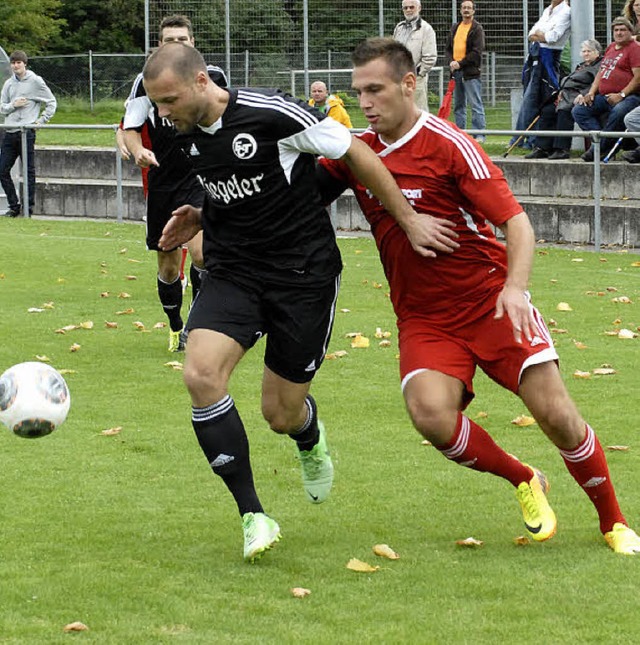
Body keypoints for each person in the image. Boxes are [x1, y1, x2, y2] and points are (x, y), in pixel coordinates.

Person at [317, 37, 640, 555]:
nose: (366, 103)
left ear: (408, 84)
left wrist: (515, 288)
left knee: (557, 416)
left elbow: (516, 222)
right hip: (424, 318)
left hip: (490, 301)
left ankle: (614, 522)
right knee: (429, 414)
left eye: (375, 90)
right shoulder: (357, 152)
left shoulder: (449, 144)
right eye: (359, 93)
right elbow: (294, 188)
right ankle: (523, 478)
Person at [142, 42, 427, 563]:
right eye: (156, 104)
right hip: (234, 272)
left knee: (280, 412)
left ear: (202, 82)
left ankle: (308, 434)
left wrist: (407, 219)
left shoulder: (273, 114)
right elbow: (235, 186)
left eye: (170, 100)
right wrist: (201, 214)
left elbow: (355, 152)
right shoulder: (179, 133)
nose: (163, 113)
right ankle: (253, 514)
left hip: (303, 277)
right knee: (200, 376)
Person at [118, 15, 227, 352]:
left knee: (201, 254)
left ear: (192, 43)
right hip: (163, 181)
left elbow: (228, 116)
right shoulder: (144, 81)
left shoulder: (214, 76)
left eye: (182, 39)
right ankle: (175, 324)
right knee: (167, 267)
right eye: (169, 40)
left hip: (202, 176)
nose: (176, 45)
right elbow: (130, 128)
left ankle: (198, 325)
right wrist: (138, 151)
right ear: (160, 46)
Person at [572, 17, 640, 162]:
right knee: (579, 110)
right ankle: (601, 144)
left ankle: (599, 149)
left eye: (623, 30)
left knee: (619, 111)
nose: (619, 33)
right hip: (604, 96)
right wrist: (591, 92)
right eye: (616, 30)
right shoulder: (611, 47)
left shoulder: (635, 48)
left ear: (630, 31)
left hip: (629, 97)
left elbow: (638, 77)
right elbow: (601, 72)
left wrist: (621, 95)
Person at [0, 50, 56, 217]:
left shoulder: (36, 81)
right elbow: (2, 107)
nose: (16, 65)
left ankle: (28, 209)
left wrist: (40, 121)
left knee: (29, 172)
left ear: (25, 64)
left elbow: (52, 102)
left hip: (26, 133)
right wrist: (13, 105)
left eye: (19, 62)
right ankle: (14, 206)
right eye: (13, 63)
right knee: (2, 171)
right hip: (10, 132)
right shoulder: (8, 84)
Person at [525, 39, 603, 160]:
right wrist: (561, 92)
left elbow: (596, 84)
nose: (586, 53)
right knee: (547, 110)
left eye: (589, 51)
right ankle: (542, 147)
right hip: (566, 95)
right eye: (584, 51)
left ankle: (562, 149)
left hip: (579, 96)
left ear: (597, 53)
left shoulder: (598, 67)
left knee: (564, 111)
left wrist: (584, 94)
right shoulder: (582, 66)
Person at [510, 0, 571, 150]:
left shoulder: (566, 12)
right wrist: (540, 35)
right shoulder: (547, 10)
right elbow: (531, 34)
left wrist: (540, 35)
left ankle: (529, 139)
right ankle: (522, 139)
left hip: (548, 60)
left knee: (538, 100)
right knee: (529, 99)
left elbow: (552, 37)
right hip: (535, 57)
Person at [444, 0, 486, 143]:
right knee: (459, 105)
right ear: (460, 10)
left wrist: (460, 63)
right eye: (464, 8)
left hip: (470, 72)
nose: (466, 10)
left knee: (475, 104)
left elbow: (476, 52)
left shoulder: (477, 29)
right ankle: (460, 134)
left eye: (469, 8)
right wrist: (451, 61)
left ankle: (479, 134)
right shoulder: (455, 27)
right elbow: (448, 48)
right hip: (455, 72)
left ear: (473, 11)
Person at [393, 0, 437, 111]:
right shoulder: (399, 28)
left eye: (411, 7)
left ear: (419, 8)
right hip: (398, 77)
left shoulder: (426, 29)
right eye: (405, 8)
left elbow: (430, 57)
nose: (408, 10)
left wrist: (418, 73)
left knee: (418, 112)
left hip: (416, 79)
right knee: (399, 112)